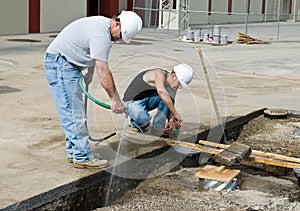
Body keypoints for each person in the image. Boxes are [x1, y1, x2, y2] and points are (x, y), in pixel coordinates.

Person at [43, 11, 142, 169]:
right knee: (74, 114)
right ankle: (82, 156)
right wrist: (115, 100)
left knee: (72, 112)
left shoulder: (101, 26)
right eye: (120, 35)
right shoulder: (101, 35)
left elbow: (91, 54)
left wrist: (89, 74)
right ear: (117, 24)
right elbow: (103, 71)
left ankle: (75, 152)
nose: (119, 40)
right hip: (61, 63)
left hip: (64, 63)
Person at [123, 64, 194, 137]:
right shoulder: (158, 74)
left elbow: (170, 101)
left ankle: (158, 128)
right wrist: (175, 113)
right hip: (132, 102)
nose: (180, 87)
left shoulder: (172, 85)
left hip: (147, 100)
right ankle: (137, 124)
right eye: (179, 83)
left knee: (169, 96)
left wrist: (170, 120)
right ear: (173, 76)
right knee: (144, 120)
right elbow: (161, 92)